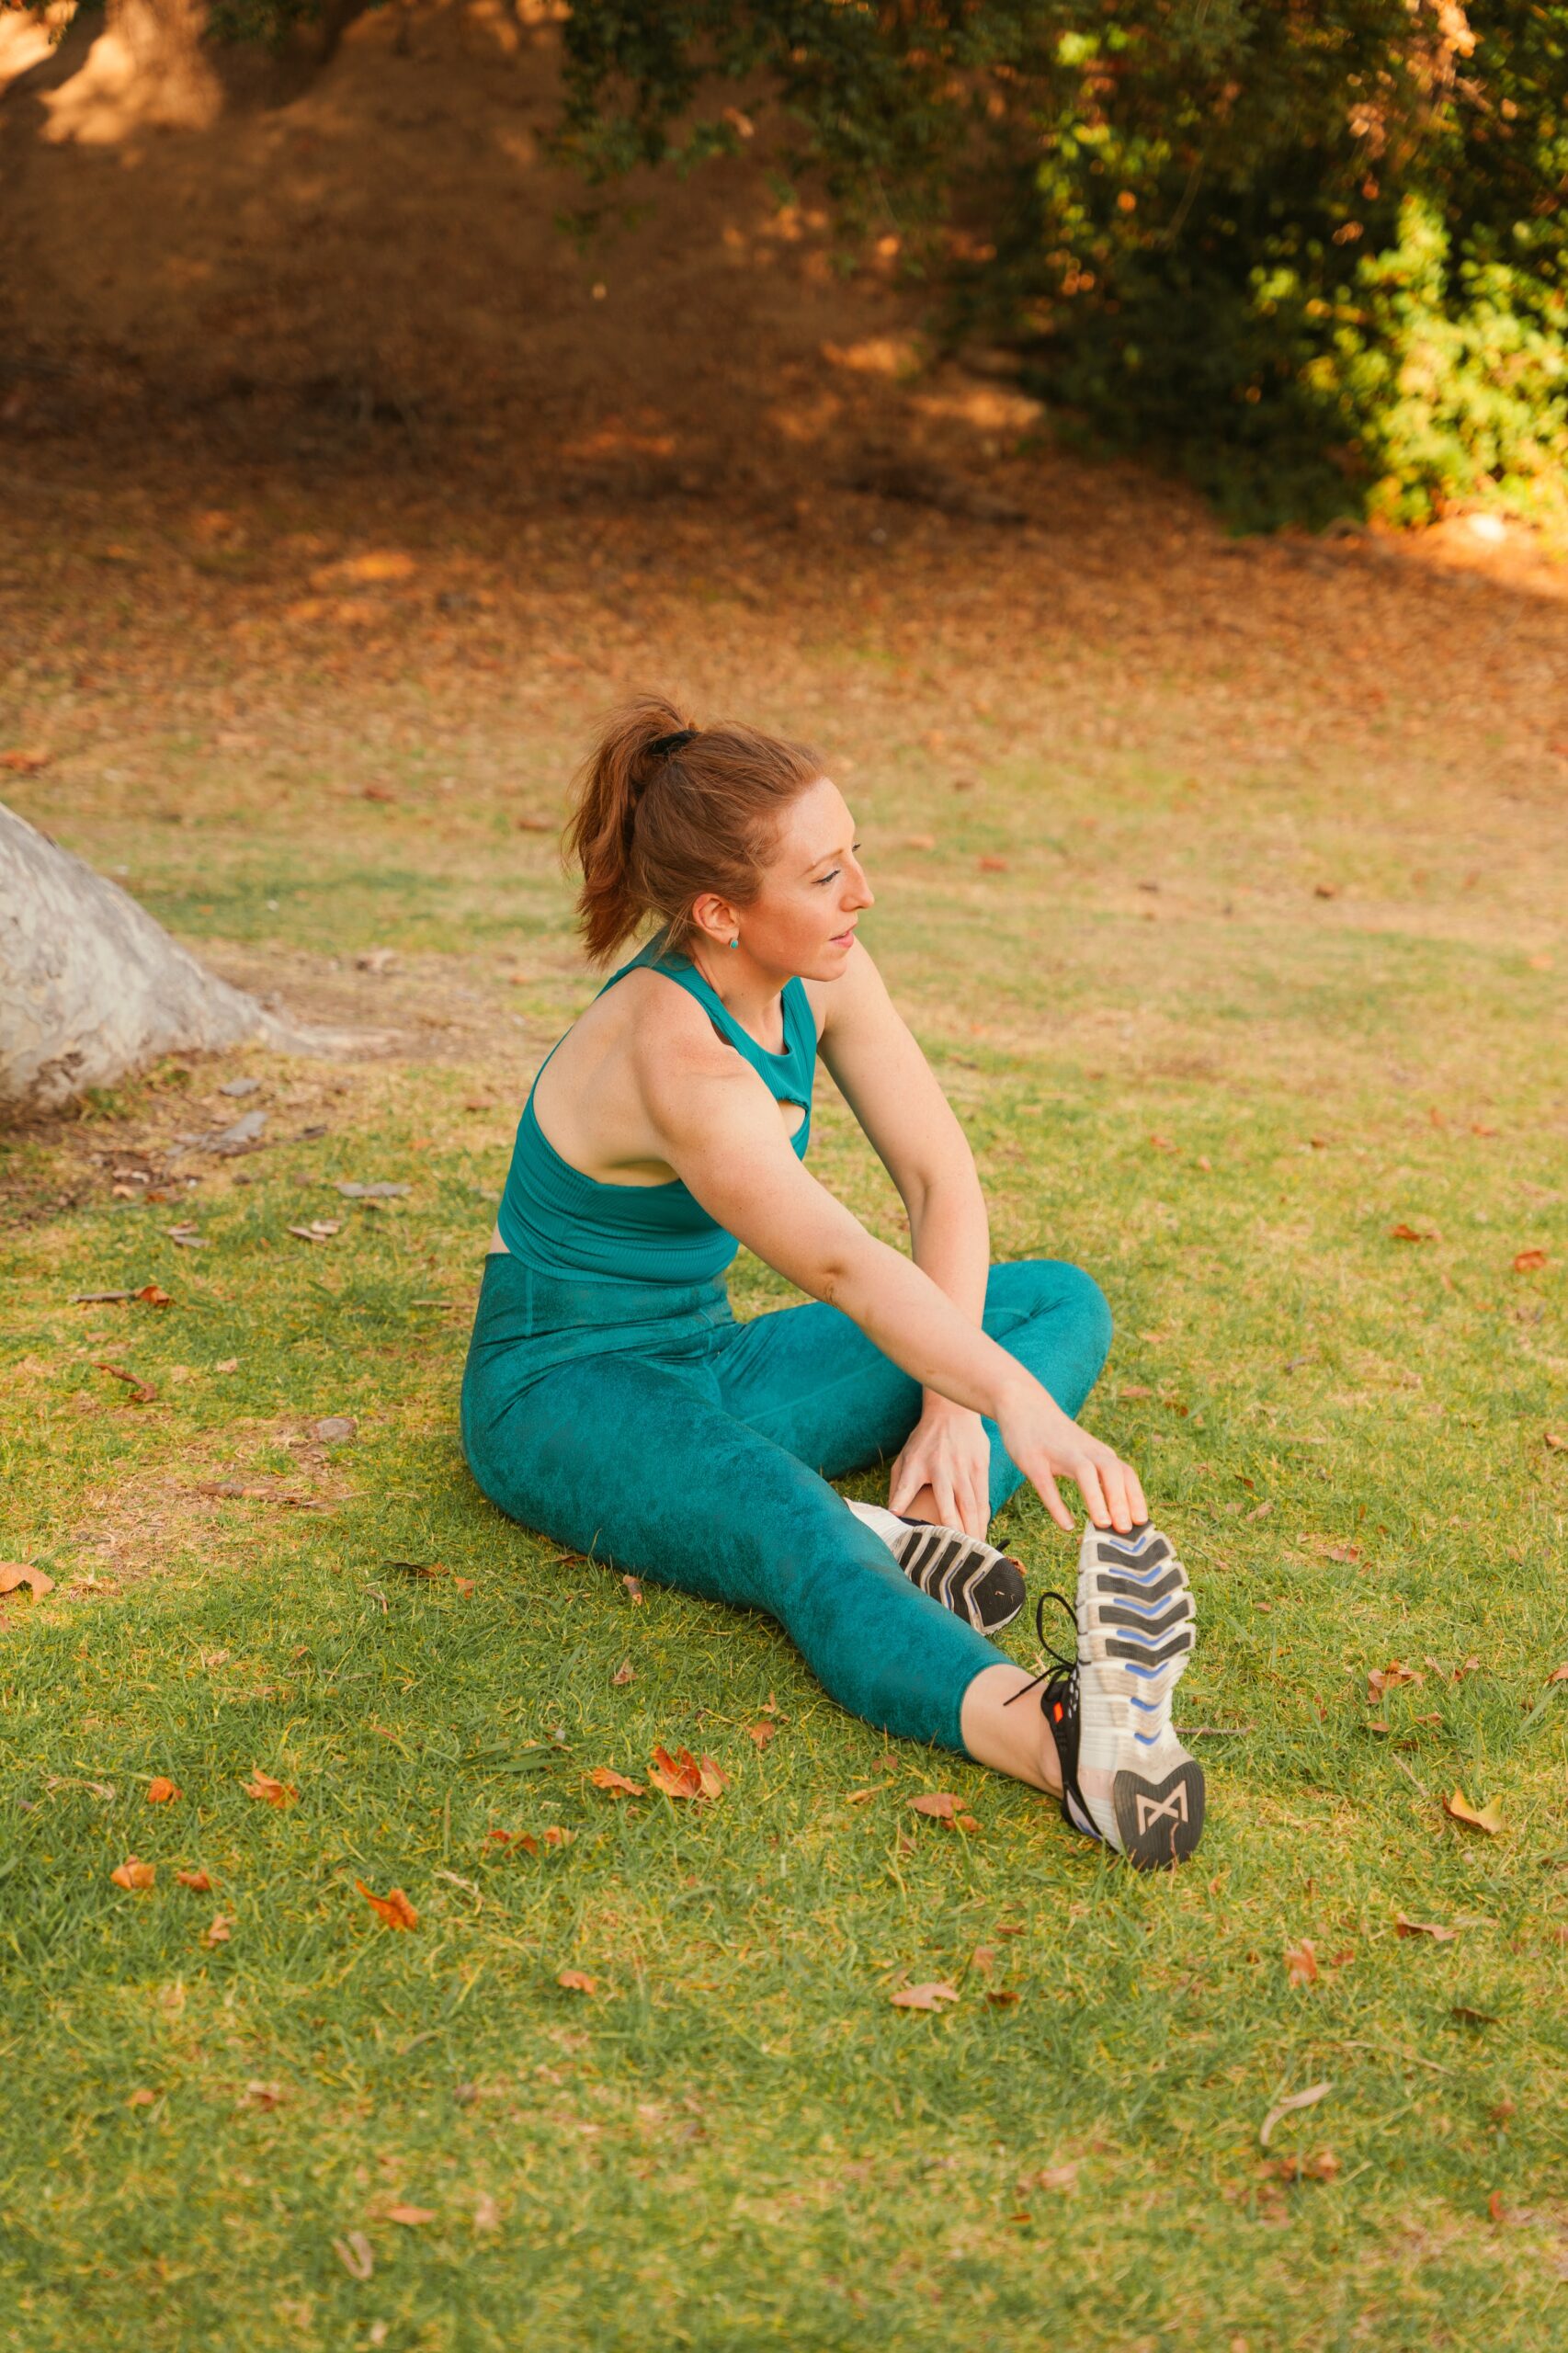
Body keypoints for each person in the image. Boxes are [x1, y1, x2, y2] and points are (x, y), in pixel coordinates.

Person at [461, 698, 1203, 1869]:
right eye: (823, 874)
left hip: (706, 1358)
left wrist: (953, 1410)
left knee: (1053, 1299)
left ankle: (911, 1516)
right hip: (561, 1389)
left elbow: (938, 1182)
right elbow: (848, 1265)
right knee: (795, 1535)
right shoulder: (677, 1055)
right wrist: (1020, 1407)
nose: (861, 892)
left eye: (853, 852)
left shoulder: (820, 971)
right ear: (719, 912)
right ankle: (1072, 1742)